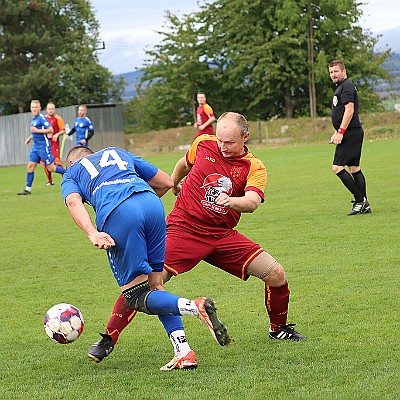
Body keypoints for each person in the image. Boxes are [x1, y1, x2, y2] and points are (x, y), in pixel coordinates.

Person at [91, 112, 305, 364]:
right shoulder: (203, 143)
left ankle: (278, 329)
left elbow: (253, 202)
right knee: (147, 283)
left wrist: (232, 201)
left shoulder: (253, 166)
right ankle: (108, 339)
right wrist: (173, 183)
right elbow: (184, 163)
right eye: (220, 140)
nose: (223, 147)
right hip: (183, 230)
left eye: (230, 143)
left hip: (221, 235)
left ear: (245, 137)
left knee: (276, 274)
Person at [61, 146, 230, 371]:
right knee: (155, 284)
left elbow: (74, 202)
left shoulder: (72, 172)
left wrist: (93, 233)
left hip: (119, 213)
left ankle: (194, 306)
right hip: (152, 204)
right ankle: (184, 352)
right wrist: (141, 207)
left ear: (72, 162)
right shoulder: (117, 152)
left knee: (135, 295)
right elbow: (167, 183)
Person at [328, 60, 371, 216]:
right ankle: (364, 203)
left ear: (343, 71)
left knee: (337, 167)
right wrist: (337, 131)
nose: (333, 74)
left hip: (350, 133)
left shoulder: (346, 86)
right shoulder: (342, 87)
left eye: (336, 71)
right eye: (331, 72)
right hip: (352, 132)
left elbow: (350, 110)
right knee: (354, 168)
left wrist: (341, 132)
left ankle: (360, 201)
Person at [17, 100, 66, 195]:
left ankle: (69, 173)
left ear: (39, 108)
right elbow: (36, 131)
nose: (34, 109)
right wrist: (30, 137)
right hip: (36, 147)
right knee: (30, 166)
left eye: (36, 107)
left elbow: (50, 130)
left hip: (43, 146)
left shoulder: (42, 118)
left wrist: (36, 130)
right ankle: (28, 189)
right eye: (33, 107)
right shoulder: (34, 119)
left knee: (51, 168)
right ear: (30, 108)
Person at [44, 101, 66, 186]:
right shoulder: (43, 119)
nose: (50, 110)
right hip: (46, 144)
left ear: (54, 109)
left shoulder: (58, 118)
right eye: (49, 109)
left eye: (52, 109)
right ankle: (50, 180)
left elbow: (63, 130)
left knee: (57, 161)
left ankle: (66, 177)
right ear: (46, 109)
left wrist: (57, 134)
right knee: (45, 163)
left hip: (54, 144)